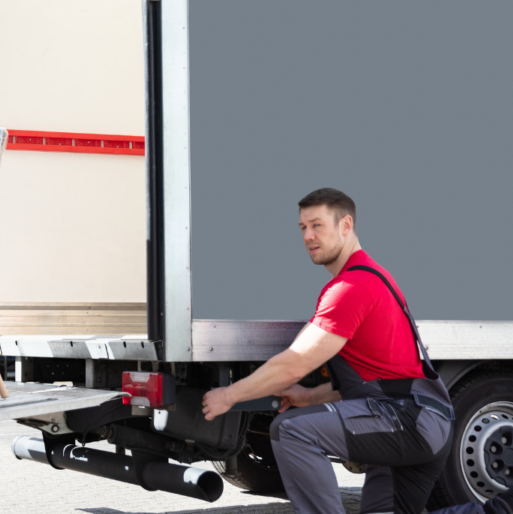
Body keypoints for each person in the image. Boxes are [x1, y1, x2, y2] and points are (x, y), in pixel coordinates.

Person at [202, 188, 513, 514]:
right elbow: (376, 378)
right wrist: (308, 398)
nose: (308, 236)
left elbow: (293, 365)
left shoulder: (351, 287)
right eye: (302, 228)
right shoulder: (371, 277)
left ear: (346, 225)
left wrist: (230, 395)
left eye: (317, 225)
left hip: (407, 421)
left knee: (292, 430)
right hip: (417, 419)